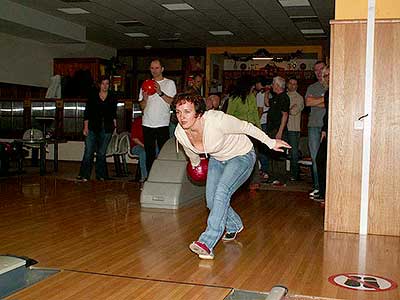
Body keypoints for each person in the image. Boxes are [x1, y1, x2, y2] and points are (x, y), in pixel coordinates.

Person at [173, 93, 290, 260]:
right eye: (178, 112)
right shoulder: (180, 132)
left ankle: (207, 242)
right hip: (218, 159)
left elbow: (246, 127)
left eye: (186, 111)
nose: (182, 117)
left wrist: (270, 142)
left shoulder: (216, 120)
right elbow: (191, 152)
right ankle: (234, 224)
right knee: (212, 201)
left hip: (241, 155)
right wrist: (195, 164)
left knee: (222, 192)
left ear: (198, 112)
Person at [139, 58, 177, 174]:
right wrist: (145, 100)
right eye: (152, 68)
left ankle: (163, 176)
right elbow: (142, 106)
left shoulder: (169, 83)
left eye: (157, 68)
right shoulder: (145, 84)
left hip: (162, 123)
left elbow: (173, 102)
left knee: (163, 153)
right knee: (149, 153)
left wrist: (160, 92)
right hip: (147, 123)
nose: (154, 70)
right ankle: (149, 177)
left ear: (162, 69)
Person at [76, 76, 117, 182]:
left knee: (102, 153)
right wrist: (85, 127)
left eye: (107, 84)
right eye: (103, 83)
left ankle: (101, 175)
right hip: (92, 127)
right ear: (99, 84)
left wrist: (115, 128)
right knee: (89, 150)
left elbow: (113, 114)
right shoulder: (93, 96)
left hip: (107, 127)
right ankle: (84, 174)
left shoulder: (113, 96)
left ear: (109, 85)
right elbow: (87, 112)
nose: (105, 86)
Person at [305, 61, 327, 197]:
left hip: (328, 126)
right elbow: (308, 102)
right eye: (316, 70)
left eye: (320, 69)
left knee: (325, 159)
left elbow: (332, 102)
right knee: (314, 158)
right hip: (313, 125)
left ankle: (326, 188)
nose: (318, 72)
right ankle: (318, 187)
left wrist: (318, 100)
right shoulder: (312, 87)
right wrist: (324, 100)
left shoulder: (332, 84)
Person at [265, 76, 290, 186]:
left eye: (273, 84)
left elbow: (285, 115)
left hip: (278, 129)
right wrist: (266, 92)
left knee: (279, 155)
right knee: (271, 153)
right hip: (271, 129)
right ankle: (272, 176)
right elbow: (266, 103)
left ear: (278, 85)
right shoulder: (275, 97)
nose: (272, 86)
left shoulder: (284, 97)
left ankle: (281, 178)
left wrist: (280, 131)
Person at [314, 66, 330, 202]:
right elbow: (327, 113)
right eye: (325, 76)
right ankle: (324, 192)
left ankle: (326, 193)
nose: (326, 78)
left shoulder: (331, 92)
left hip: (334, 129)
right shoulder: (328, 92)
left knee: (322, 160)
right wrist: (324, 129)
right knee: (320, 160)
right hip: (328, 128)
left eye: (328, 75)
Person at [286, 77, 304, 181]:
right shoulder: (284, 96)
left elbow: (293, 111)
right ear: (287, 84)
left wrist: (286, 110)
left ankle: (295, 174)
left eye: (295, 84)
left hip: (293, 128)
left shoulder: (299, 98)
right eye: (291, 83)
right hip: (283, 127)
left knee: (294, 152)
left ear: (297, 86)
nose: (292, 85)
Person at [254, 75, 271, 181]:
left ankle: (264, 170)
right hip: (268, 122)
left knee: (261, 148)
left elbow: (260, 110)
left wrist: (256, 124)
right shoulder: (269, 92)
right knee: (265, 147)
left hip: (262, 122)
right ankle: (265, 170)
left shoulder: (261, 94)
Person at [130, 116, 147, 183]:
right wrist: (145, 146)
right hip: (136, 145)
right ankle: (144, 176)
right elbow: (134, 138)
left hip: (148, 145)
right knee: (144, 153)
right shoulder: (137, 121)